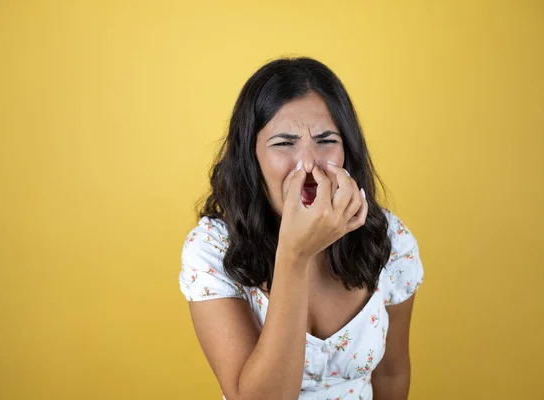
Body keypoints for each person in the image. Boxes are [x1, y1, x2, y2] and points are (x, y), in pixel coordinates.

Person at [178, 57, 424, 400]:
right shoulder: (212, 249)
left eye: (326, 140)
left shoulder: (390, 239)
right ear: (252, 158)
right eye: (283, 143)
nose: (308, 163)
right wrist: (295, 254)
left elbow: (393, 373)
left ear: (347, 152)